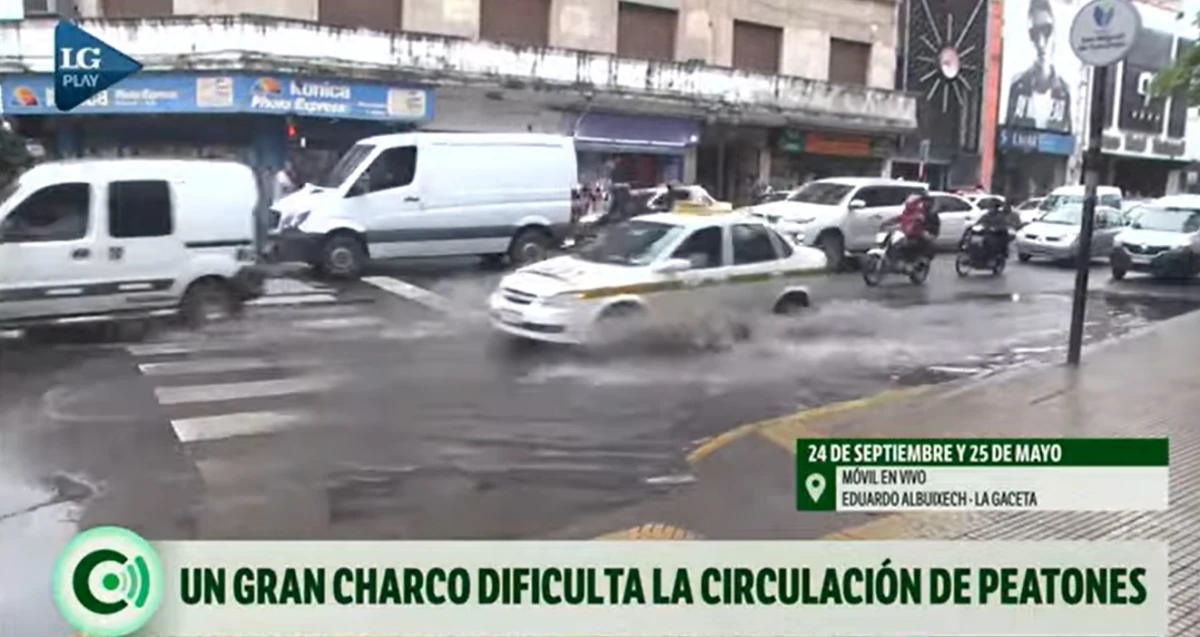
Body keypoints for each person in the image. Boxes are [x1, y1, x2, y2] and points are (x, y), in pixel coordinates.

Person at [1005, 0, 1072, 133]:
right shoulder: (1017, 86)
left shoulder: (1065, 91)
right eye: (1034, 34)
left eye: (1046, 31)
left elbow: (1068, 140)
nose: (1041, 43)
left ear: (1055, 33)